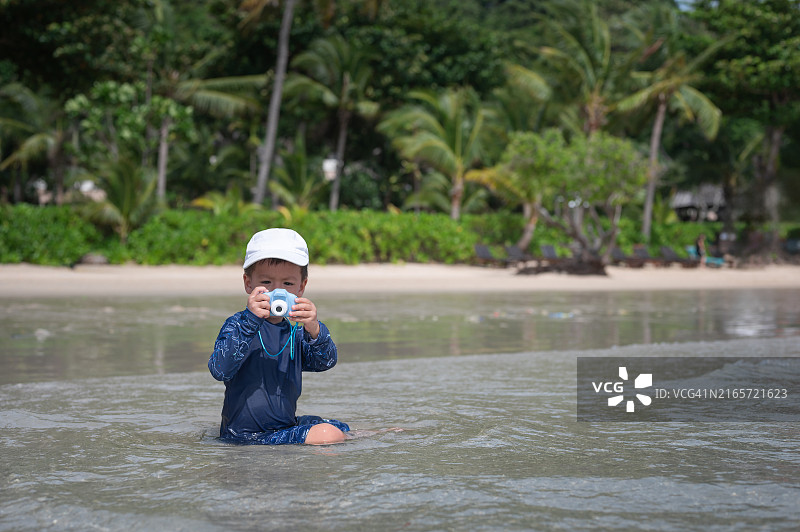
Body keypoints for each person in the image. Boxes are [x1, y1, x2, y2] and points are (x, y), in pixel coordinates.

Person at [208, 228, 349, 445]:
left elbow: (325, 362)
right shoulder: (238, 325)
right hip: (244, 436)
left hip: (285, 426)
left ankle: (372, 435)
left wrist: (315, 329)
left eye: (288, 284)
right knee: (327, 434)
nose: (277, 291)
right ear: (248, 283)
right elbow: (219, 369)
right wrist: (249, 322)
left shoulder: (296, 332)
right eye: (266, 283)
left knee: (337, 426)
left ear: (301, 287)